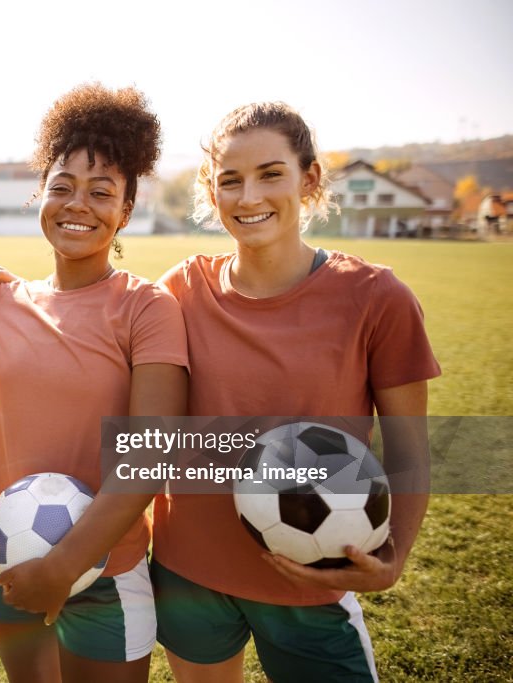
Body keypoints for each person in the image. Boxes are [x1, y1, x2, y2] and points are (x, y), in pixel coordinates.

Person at [0, 83, 189, 682]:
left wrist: (65, 566)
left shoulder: (147, 308)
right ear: (40, 197)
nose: (78, 204)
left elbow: (151, 457)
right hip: (6, 548)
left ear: (125, 212)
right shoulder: (3, 301)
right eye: (62, 188)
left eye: (101, 192)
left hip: (105, 565)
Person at [147, 103, 440, 682]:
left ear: (308, 180)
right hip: (188, 575)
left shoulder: (378, 298)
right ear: (212, 191)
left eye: (270, 173)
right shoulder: (179, 290)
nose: (249, 196)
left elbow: (408, 449)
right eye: (230, 180)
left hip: (315, 579)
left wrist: (395, 555)